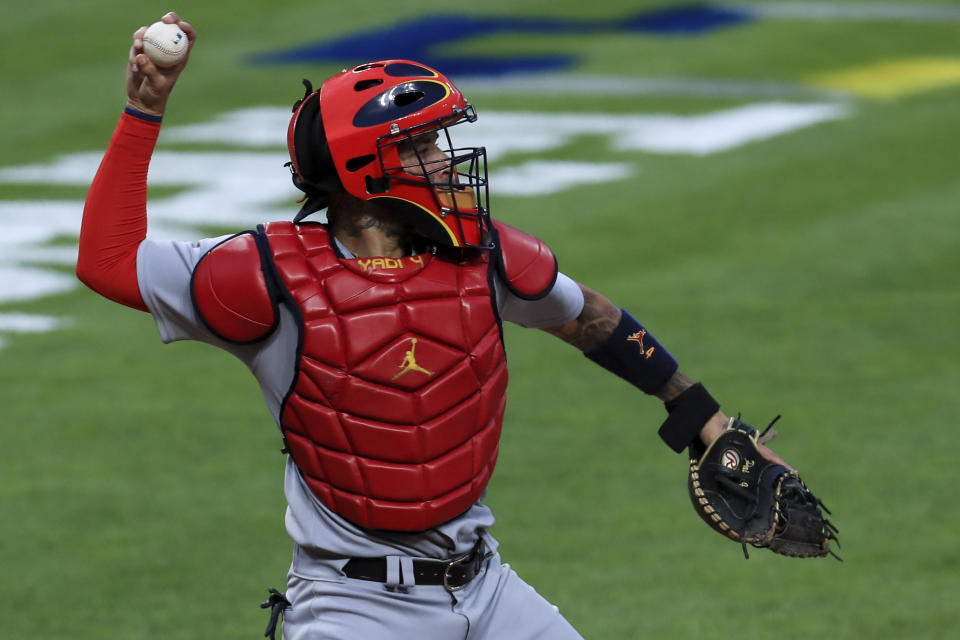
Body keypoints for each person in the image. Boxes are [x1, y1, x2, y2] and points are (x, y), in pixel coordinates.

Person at [77, 12, 794, 640]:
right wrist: (144, 111)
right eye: (422, 149)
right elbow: (108, 262)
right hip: (352, 608)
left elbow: (591, 319)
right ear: (367, 172)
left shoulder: (485, 256)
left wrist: (699, 415)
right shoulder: (265, 276)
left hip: (486, 588)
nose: (447, 163)